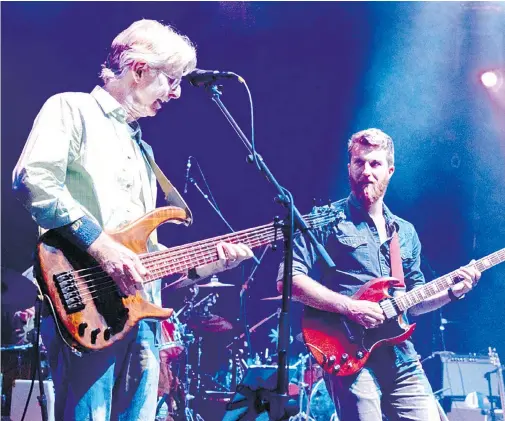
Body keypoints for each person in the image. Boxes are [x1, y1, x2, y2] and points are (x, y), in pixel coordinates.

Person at [12, 19, 253, 421]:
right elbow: (32, 179)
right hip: (86, 310)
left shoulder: (144, 150)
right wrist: (100, 244)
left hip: (140, 319)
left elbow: (145, 258)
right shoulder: (71, 108)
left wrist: (208, 264)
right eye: (171, 79)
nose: (176, 93)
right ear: (139, 68)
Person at [276, 128, 481, 420]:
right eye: (359, 162)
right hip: (348, 353)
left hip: (401, 356)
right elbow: (289, 280)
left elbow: (414, 302)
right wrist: (349, 306)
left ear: (390, 170)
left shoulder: (405, 232)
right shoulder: (326, 221)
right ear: (349, 167)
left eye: (375, 164)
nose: (366, 171)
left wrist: (452, 292)